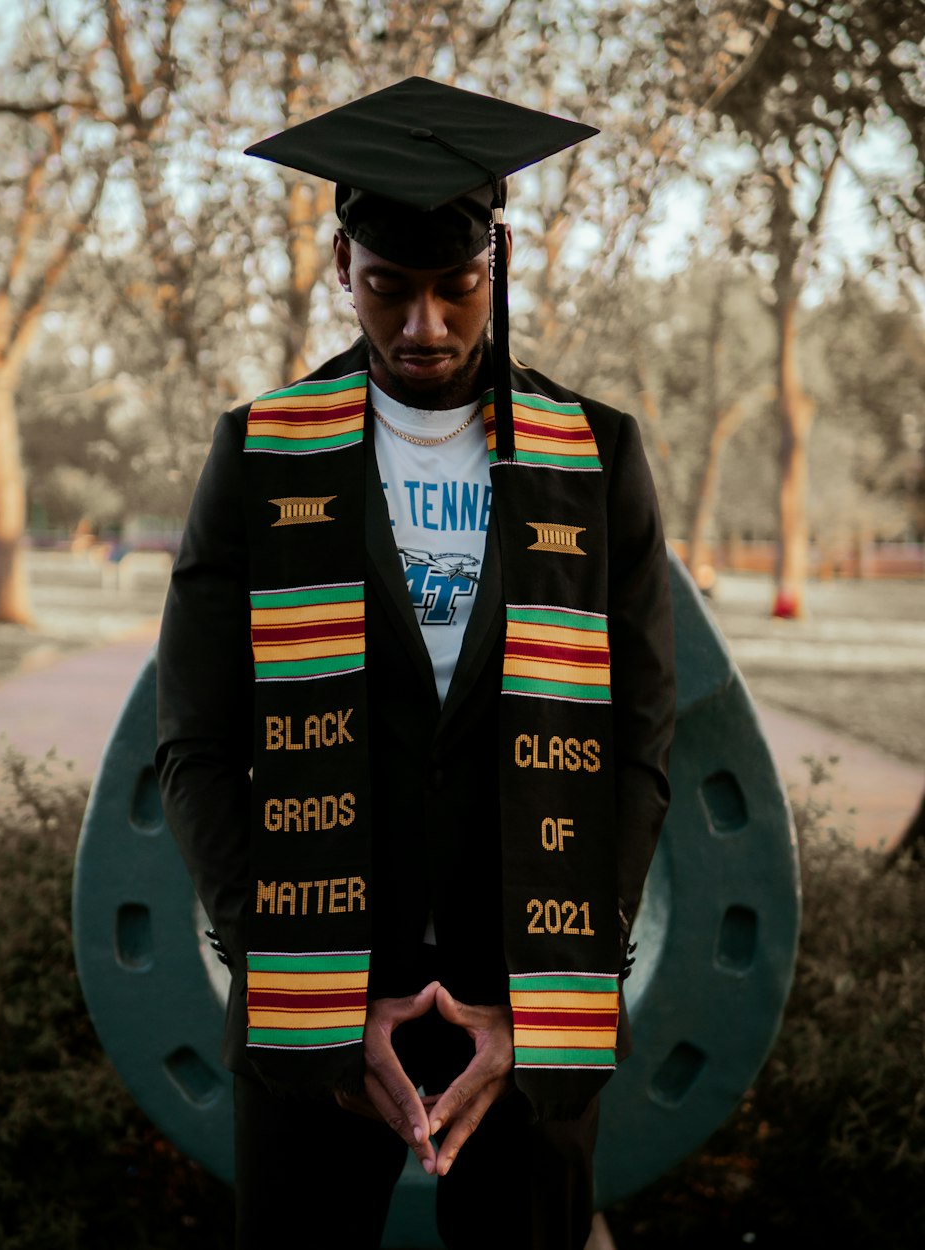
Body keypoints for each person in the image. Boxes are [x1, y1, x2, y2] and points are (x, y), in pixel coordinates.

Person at [156, 77, 675, 1250]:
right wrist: (305, 992)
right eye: (391, 288)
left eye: (457, 287)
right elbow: (196, 742)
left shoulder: (592, 458)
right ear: (342, 263)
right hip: (317, 1005)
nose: (426, 326)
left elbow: (637, 746)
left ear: (498, 257)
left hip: (527, 1000)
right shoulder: (258, 453)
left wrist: (548, 985)